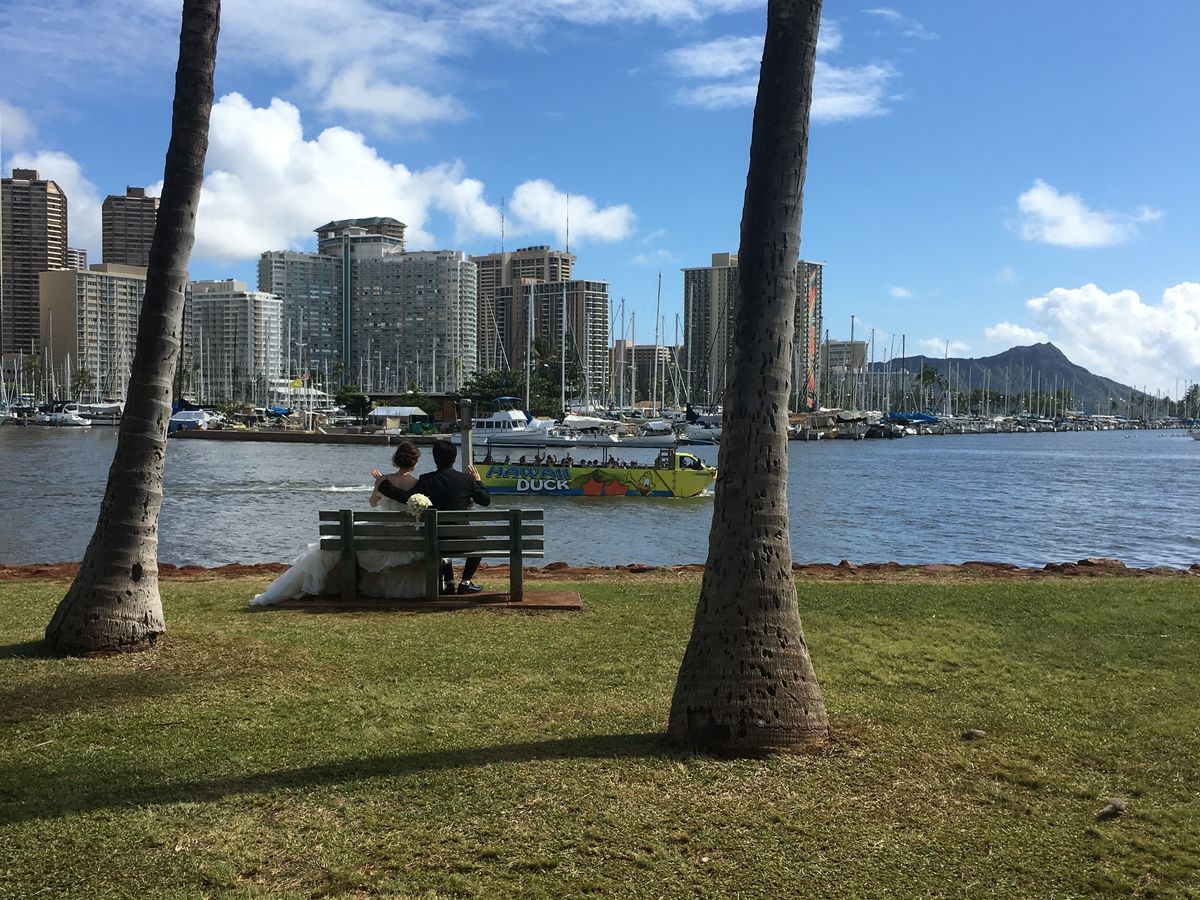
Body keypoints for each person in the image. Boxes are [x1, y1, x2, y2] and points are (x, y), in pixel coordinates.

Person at [251, 441, 427, 605]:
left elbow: (373, 503)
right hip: (406, 538)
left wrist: (380, 483)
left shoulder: (382, 480)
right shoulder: (418, 483)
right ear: (414, 463)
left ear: (396, 460)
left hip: (379, 536)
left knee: (341, 539)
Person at [378, 439, 491, 594]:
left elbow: (405, 497)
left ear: (435, 458)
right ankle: (465, 582)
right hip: (462, 539)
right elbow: (485, 500)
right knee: (481, 541)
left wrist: (384, 485)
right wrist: (478, 481)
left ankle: (449, 583)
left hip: (434, 539)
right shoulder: (466, 479)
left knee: (440, 536)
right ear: (454, 459)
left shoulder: (426, 479)